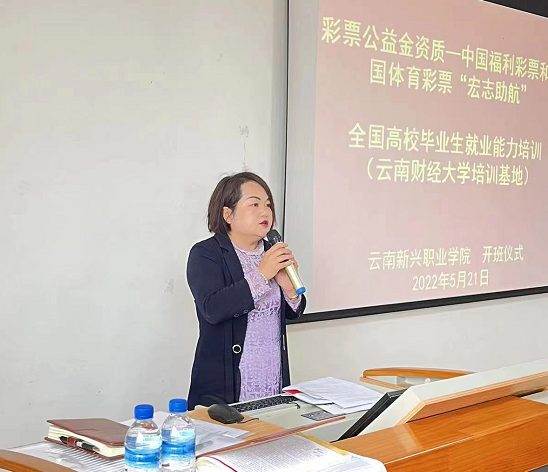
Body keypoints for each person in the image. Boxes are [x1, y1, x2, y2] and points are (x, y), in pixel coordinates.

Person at [186, 172, 306, 409]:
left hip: (273, 380)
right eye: (254, 204)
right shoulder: (206, 254)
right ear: (228, 214)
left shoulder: (272, 251)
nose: (265, 212)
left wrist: (290, 291)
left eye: (268, 205)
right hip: (226, 386)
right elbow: (212, 309)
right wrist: (261, 275)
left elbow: (292, 312)